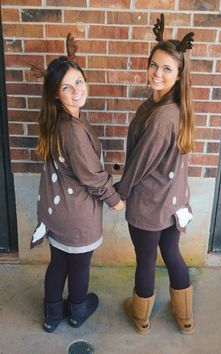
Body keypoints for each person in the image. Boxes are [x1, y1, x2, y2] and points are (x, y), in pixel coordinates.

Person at [31, 55, 125, 333]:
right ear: (56, 96)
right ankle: (78, 309)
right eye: (66, 87)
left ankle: (52, 316)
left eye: (79, 82)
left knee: (58, 263)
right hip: (77, 215)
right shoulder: (73, 131)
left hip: (55, 211)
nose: (77, 90)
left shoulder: (55, 122)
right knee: (80, 265)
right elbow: (92, 176)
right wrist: (114, 199)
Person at [115, 14, 195, 334]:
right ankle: (185, 317)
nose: (157, 72)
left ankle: (141, 317)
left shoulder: (163, 116)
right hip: (173, 200)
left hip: (150, 203)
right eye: (154, 64)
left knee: (147, 261)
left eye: (166, 68)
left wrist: (119, 192)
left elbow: (141, 163)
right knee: (172, 254)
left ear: (178, 75)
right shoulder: (173, 107)